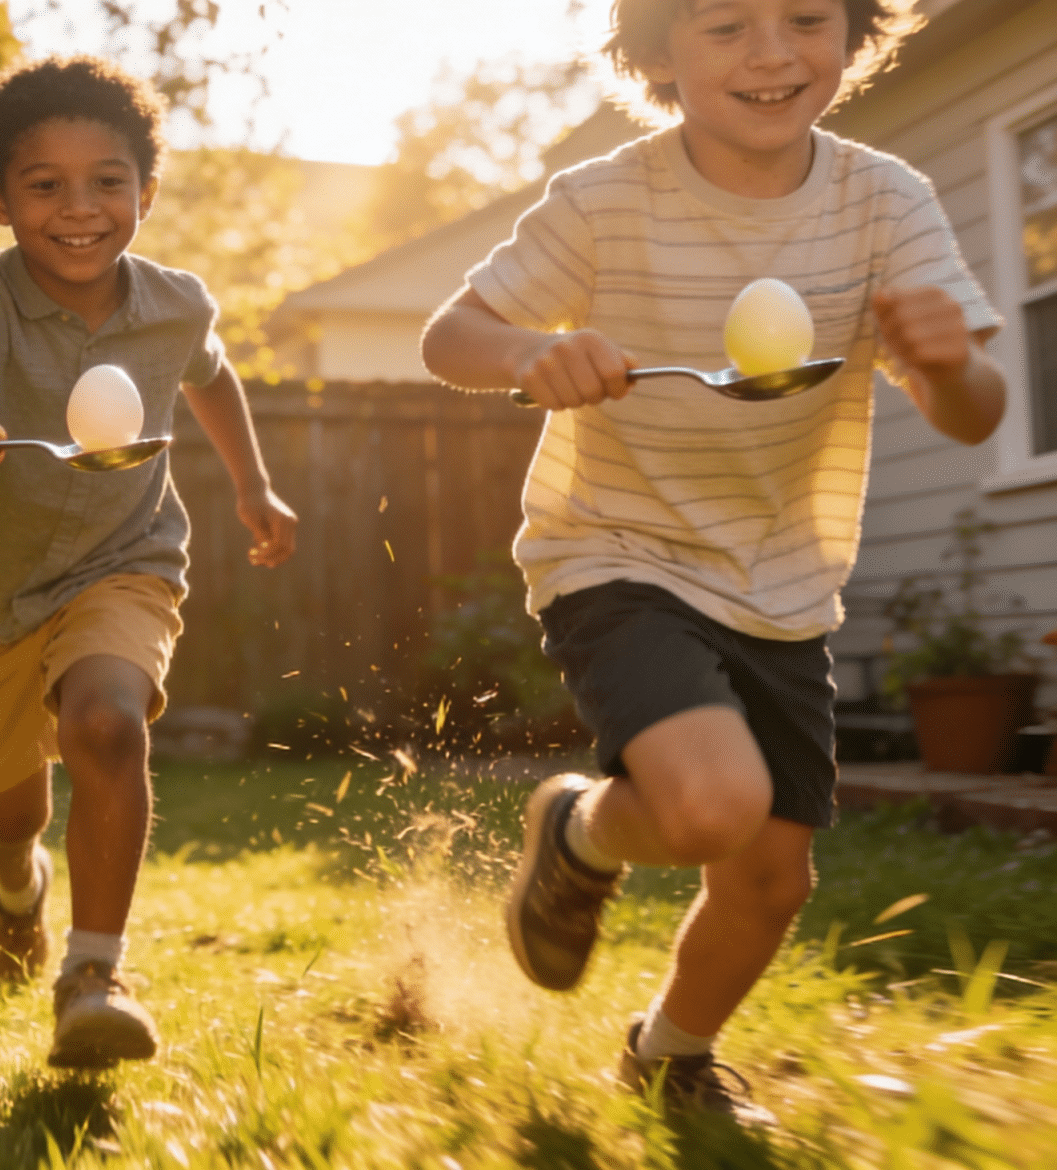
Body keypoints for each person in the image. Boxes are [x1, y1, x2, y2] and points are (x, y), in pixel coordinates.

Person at [421, 0, 1005, 1126]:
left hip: (782, 580)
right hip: (617, 548)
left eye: (802, 18)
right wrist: (533, 349)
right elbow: (451, 335)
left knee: (767, 879)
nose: (772, 53)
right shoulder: (603, 199)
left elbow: (971, 411)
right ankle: (582, 831)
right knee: (708, 806)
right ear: (651, 49)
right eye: (725, 24)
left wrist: (946, 363)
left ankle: (668, 1053)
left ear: (853, 31)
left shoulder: (882, 199)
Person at [0, 56, 297, 1069]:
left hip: (125, 559)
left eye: (107, 180)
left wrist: (252, 486)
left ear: (145, 190)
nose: (79, 208)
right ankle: (16, 884)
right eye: (43, 185)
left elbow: (211, 380)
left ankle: (93, 975)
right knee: (13, 808)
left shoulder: (175, 303)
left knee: (105, 721)